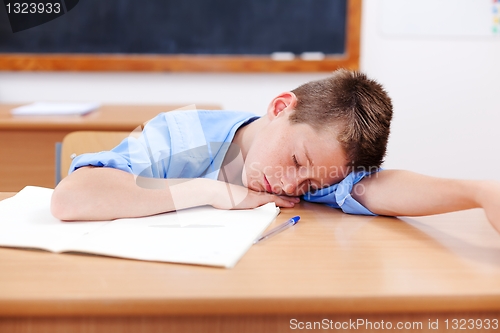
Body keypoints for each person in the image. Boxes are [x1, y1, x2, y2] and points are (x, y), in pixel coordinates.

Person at [50, 69, 500, 235]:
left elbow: (376, 189)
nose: (290, 187)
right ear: (281, 107)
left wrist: (477, 191)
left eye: (310, 184)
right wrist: (212, 192)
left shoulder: (317, 166)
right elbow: (74, 198)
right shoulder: (184, 134)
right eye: (297, 164)